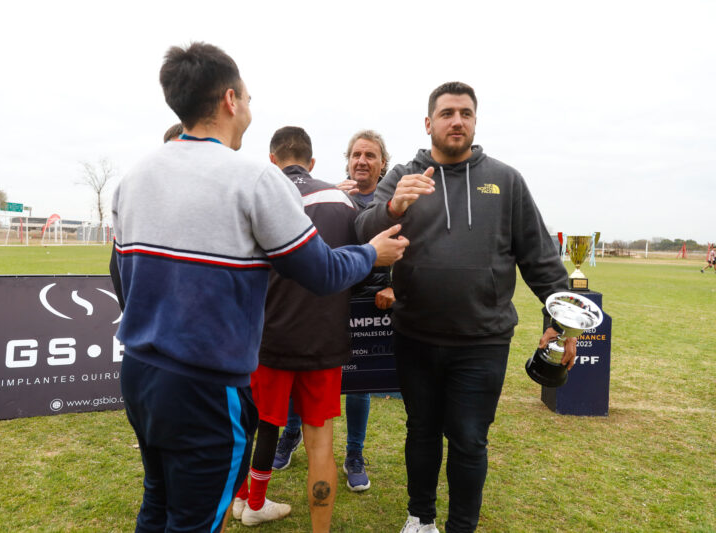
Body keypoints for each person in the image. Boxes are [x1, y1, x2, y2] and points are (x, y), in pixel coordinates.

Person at [110, 42, 408, 533]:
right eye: (248, 97)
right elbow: (320, 273)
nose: (250, 105)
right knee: (196, 519)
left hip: (139, 372)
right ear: (230, 100)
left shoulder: (134, 176)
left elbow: (120, 276)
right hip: (207, 384)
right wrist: (371, 254)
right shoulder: (253, 178)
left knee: (156, 503)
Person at [355, 82, 575, 533]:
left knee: (470, 439)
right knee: (421, 431)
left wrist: (561, 324)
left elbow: (540, 258)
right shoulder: (403, 176)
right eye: (447, 113)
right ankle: (420, 519)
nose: (457, 121)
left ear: (475, 121)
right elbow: (363, 230)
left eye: (466, 113)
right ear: (428, 122)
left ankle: (461, 527)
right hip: (416, 335)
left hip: (482, 340)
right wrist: (392, 207)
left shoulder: (506, 180)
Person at [233, 126, 366, 531]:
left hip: (267, 338)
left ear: (272, 160)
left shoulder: (258, 194)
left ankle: (244, 501)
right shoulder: (342, 201)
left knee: (251, 429)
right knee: (320, 445)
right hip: (323, 340)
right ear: (312, 162)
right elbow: (360, 267)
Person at [273, 130, 394, 494]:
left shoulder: (391, 202)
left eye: (370, 155)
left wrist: (395, 286)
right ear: (347, 160)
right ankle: (290, 434)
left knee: (359, 385)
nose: (362, 161)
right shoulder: (333, 196)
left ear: (382, 164)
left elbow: (408, 248)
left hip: (370, 303)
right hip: (327, 302)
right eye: (356, 154)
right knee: (302, 370)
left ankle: (354, 454)